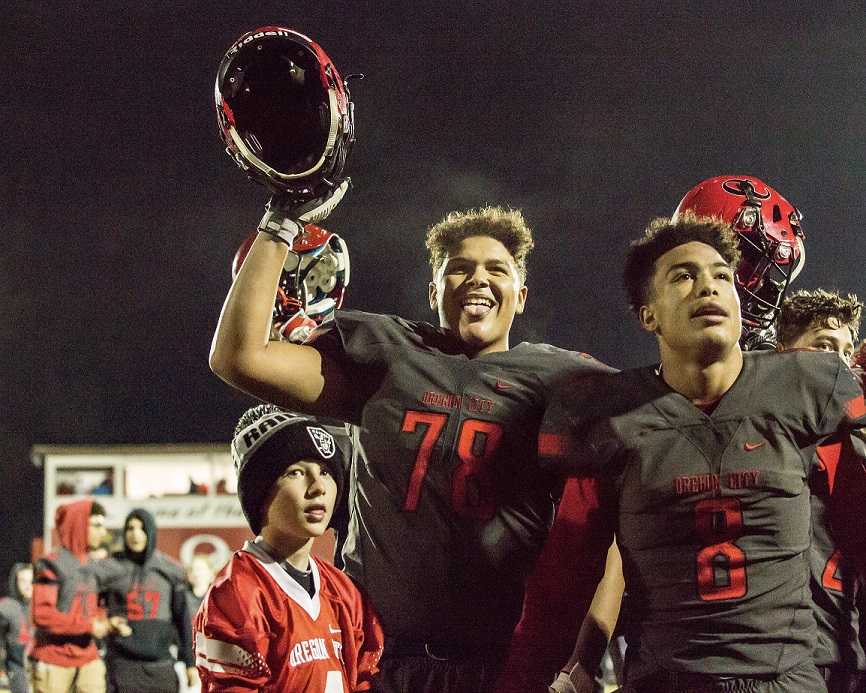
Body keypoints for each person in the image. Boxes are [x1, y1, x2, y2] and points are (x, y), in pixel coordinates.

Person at [209, 199, 611, 692]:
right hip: (375, 660)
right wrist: (281, 221)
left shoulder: (565, 380)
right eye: (458, 269)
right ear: (433, 290)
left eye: (496, 270)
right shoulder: (388, 355)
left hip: (502, 666)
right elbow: (239, 357)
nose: (478, 280)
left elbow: (617, 520)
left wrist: (585, 654)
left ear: (521, 295)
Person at [540, 212, 866, 693]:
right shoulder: (608, 413)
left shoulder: (811, 386)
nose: (708, 287)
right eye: (684, 276)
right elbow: (575, 562)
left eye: (721, 276)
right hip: (666, 681)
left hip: (787, 679)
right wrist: (567, 663)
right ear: (648, 313)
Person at [194, 405, 383, 691]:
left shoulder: (345, 593)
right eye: (295, 472)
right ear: (260, 490)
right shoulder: (239, 592)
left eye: (325, 472)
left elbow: (365, 680)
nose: (318, 486)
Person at [776, 288, 865, 693]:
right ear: (782, 352)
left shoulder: (853, 440)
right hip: (774, 657)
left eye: (846, 352)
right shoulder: (759, 430)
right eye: (825, 346)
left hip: (847, 650)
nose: (839, 364)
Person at [98, 508, 197, 693]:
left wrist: (190, 663)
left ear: (150, 532)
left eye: (142, 528)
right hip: (121, 667)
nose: (135, 534)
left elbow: (182, 619)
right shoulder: (110, 569)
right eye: (130, 528)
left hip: (160, 668)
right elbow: (90, 605)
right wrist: (105, 623)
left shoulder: (170, 570)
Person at [30, 499, 121, 693]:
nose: (102, 532)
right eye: (96, 525)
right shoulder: (51, 564)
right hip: (53, 660)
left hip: (88, 659)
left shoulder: (94, 564)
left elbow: (91, 607)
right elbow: (42, 615)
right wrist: (88, 626)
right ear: (79, 524)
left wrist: (107, 622)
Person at [0, 564, 33, 693]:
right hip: (17, 668)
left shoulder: (46, 607)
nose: (28, 585)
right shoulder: (7, 607)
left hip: (43, 666)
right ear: (15, 582)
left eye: (31, 580)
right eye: (23, 580)